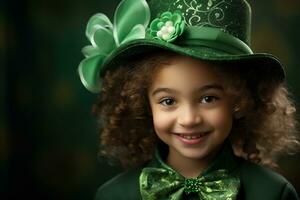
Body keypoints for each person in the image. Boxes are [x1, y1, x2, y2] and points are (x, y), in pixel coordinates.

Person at [78, 0, 300, 199]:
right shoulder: (115, 195)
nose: (189, 119)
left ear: (239, 100)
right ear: (143, 103)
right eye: (168, 101)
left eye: (208, 98)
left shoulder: (273, 193)